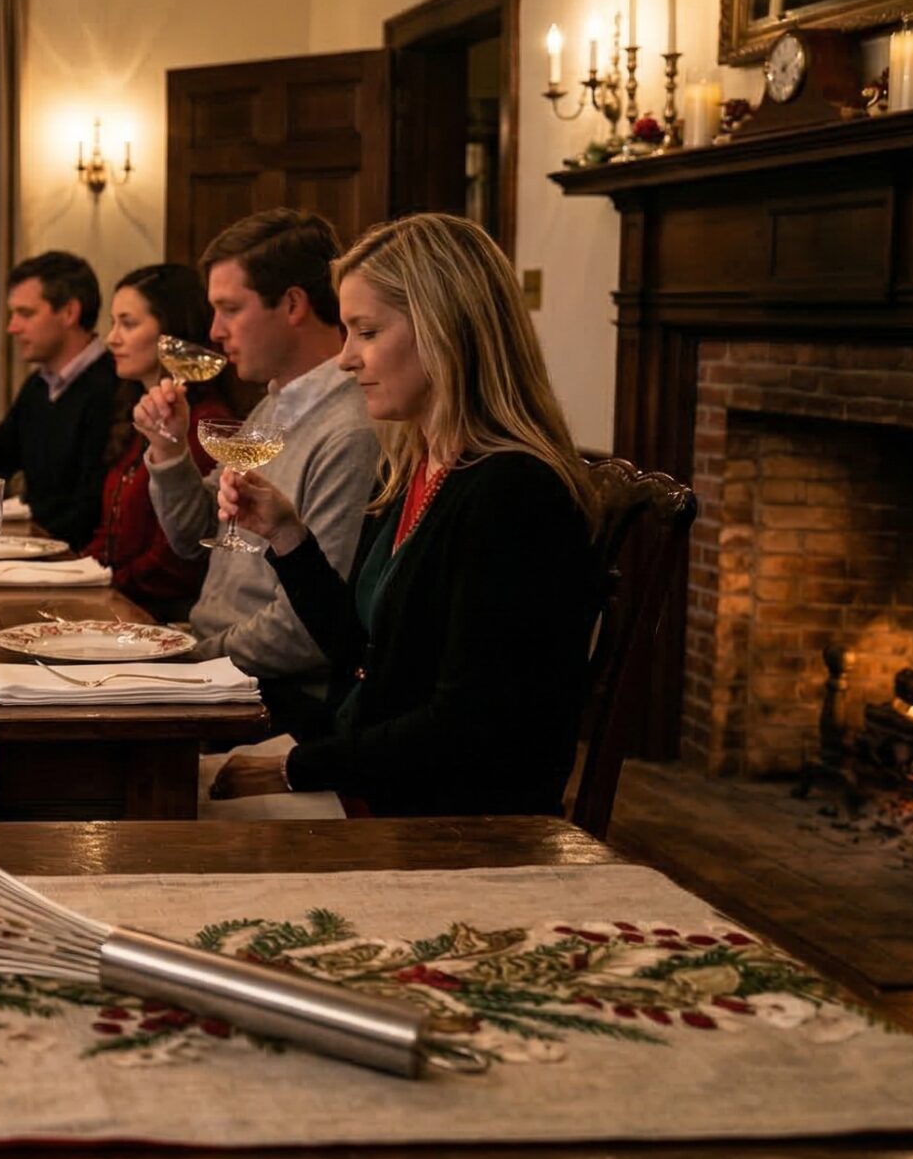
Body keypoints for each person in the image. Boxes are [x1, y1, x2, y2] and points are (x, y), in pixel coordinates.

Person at [210, 213, 599, 816]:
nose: (345, 359)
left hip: (443, 818)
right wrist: (289, 537)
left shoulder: (513, 491)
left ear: (447, 331)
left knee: (181, 811)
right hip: (382, 773)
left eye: (365, 332)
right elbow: (365, 652)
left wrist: (296, 768)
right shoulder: (417, 465)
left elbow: (466, 726)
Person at [131, 210, 381, 723]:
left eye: (229, 309)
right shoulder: (275, 405)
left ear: (291, 304)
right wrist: (170, 450)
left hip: (269, 700)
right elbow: (192, 535)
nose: (215, 331)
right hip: (216, 664)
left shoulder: (351, 431)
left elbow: (306, 631)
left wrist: (181, 661)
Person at [0, 251, 117, 550]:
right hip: (36, 544)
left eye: (25, 314)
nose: (12, 327)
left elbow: (91, 506)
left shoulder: (111, 387)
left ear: (69, 313)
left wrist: (9, 537)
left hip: (72, 559)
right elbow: (0, 454)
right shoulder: (39, 385)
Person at [87, 263, 236, 616]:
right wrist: (73, 574)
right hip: (118, 600)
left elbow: (175, 562)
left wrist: (101, 586)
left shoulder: (205, 423)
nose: (112, 338)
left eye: (128, 323)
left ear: (170, 333)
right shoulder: (136, 411)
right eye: (113, 322)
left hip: (158, 613)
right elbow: (112, 531)